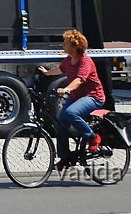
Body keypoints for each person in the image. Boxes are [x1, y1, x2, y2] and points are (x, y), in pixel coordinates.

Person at [38, 28, 106, 169]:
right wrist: (47, 73)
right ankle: (65, 158)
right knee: (60, 123)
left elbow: (79, 80)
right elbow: (60, 69)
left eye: (66, 42)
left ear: (74, 46)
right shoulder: (69, 59)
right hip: (76, 97)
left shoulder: (85, 61)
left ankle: (93, 137)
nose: (63, 44)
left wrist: (67, 89)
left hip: (93, 97)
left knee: (71, 113)